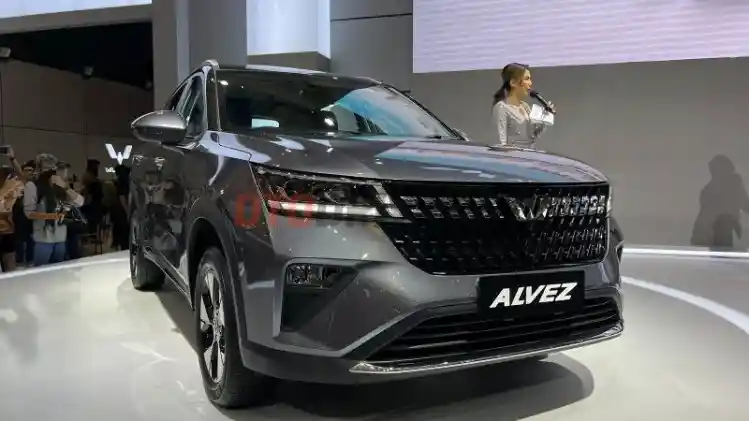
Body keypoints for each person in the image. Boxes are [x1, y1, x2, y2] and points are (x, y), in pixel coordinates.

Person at [23, 154, 84, 266]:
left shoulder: (61, 188)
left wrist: (64, 186)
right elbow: (29, 213)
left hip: (61, 238)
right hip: (43, 239)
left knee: (58, 271)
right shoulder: (33, 186)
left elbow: (79, 202)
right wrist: (52, 216)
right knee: (41, 271)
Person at [492, 63, 555, 149]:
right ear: (513, 82)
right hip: (513, 155)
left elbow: (532, 136)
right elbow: (500, 141)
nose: (530, 83)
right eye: (527, 79)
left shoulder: (525, 106)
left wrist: (544, 119)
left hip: (528, 153)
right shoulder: (501, 107)